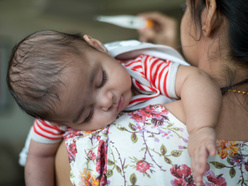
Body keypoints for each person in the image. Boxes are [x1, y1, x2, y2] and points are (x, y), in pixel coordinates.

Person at [55, 0, 248, 185]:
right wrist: (170, 58)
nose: (106, 101)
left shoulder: (91, 152)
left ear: (209, 10)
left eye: (185, 7)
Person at [7, 29, 221, 185]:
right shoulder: (60, 115)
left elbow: (195, 79)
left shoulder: (141, 68)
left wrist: (200, 128)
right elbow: (38, 156)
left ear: (97, 47)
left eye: (101, 79)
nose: (106, 100)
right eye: (87, 113)